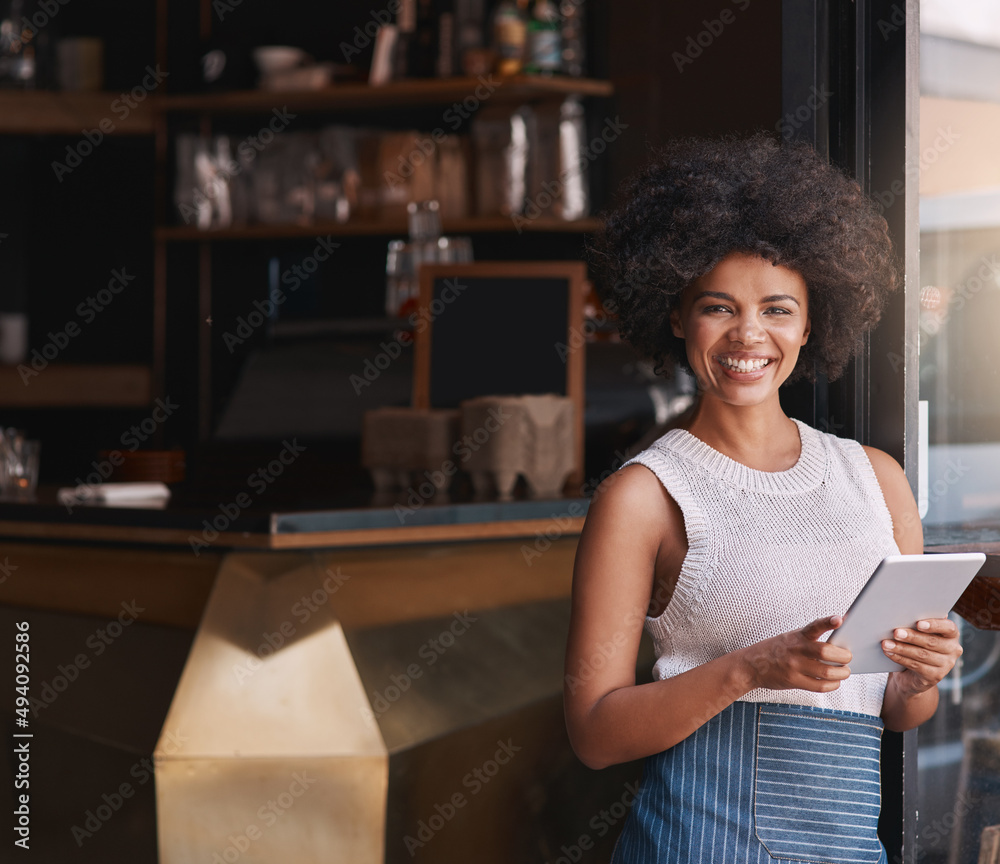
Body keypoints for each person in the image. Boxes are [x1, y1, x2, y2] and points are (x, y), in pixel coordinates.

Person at [564, 133, 963, 863]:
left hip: (844, 845)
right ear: (677, 315)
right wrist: (748, 670)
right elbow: (593, 734)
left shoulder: (876, 477)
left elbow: (904, 712)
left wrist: (918, 673)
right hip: (698, 843)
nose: (749, 335)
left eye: (778, 309)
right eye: (718, 307)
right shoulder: (646, 496)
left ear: (811, 325)